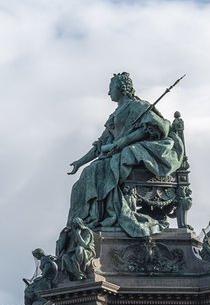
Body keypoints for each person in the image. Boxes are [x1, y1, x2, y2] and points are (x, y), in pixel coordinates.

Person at [66, 72, 183, 236]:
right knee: (88, 172)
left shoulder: (138, 106)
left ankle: (107, 216)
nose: (109, 92)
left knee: (116, 161)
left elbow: (157, 128)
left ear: (121, 88)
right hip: (115, 154)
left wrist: (125, 140)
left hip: (138, 153)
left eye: (111, 88)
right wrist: (80, 162)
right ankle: (89, 221)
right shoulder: (114, 115)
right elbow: (101, 144)